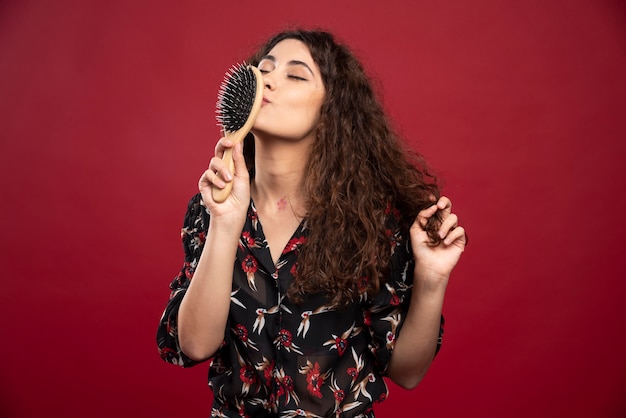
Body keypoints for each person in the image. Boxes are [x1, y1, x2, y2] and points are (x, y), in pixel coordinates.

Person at [157, 28, 466, 418]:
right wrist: (225, 222)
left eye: (296, 75)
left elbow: (406, 372)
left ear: (330, 111)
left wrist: (432, 279)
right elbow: (195, 345)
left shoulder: (370, 220)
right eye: (263, 69)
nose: (266, 79)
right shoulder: (211, 208)